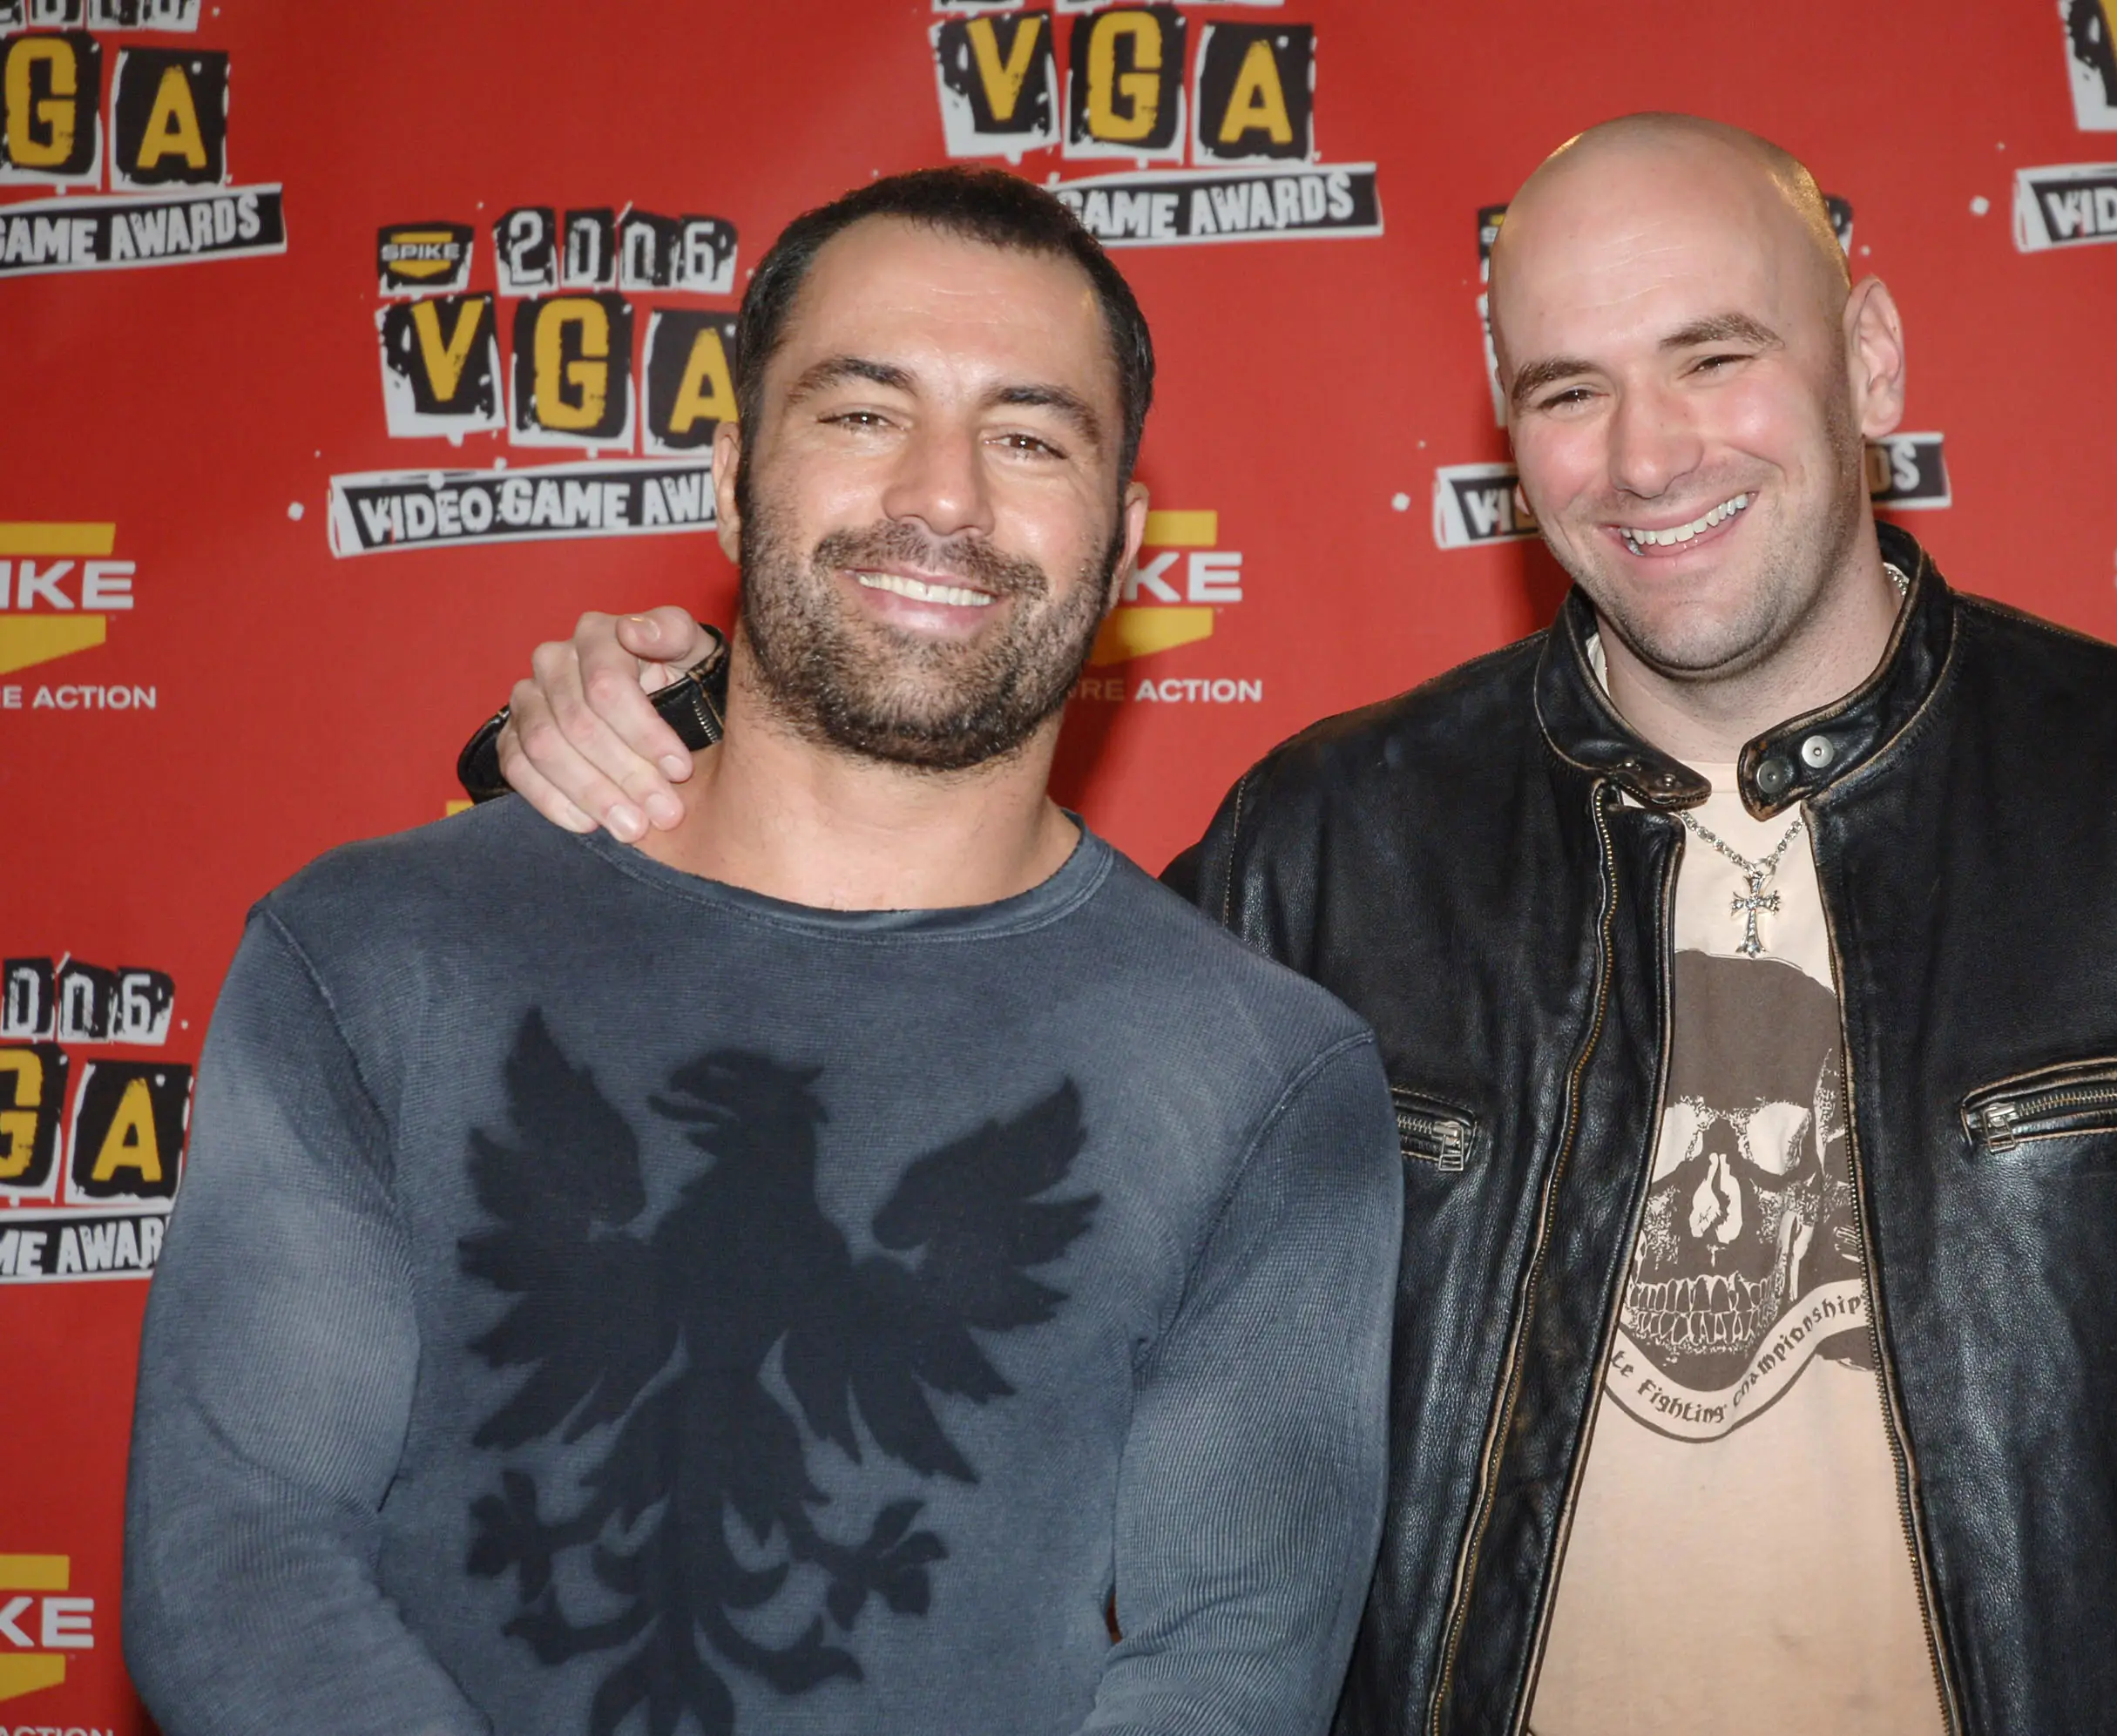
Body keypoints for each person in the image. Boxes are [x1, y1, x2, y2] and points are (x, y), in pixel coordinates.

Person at [460, 118, 2117, 1736]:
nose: (1645, 455)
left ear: (1864, 351)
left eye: (1714, 356)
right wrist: (652, 741)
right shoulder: (1336, 836)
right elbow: (935, 1082)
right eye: (1566, 386)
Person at [124, 168, 1403, 1736]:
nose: (944, 498)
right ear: (732, 478)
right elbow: (237, 1559)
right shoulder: (378, 957)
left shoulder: (1263, 1077)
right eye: (863, 415)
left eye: (1027, 436)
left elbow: (1233, 1665)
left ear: (1124, 538)